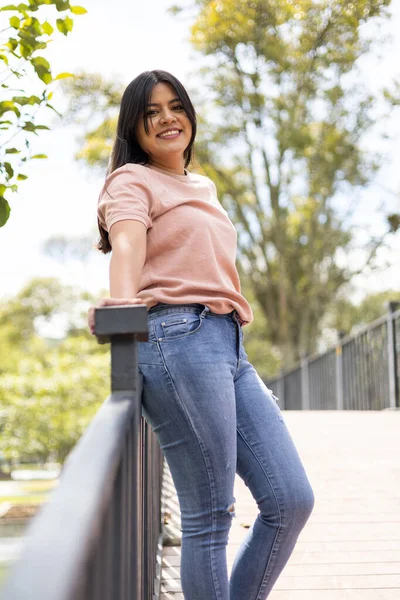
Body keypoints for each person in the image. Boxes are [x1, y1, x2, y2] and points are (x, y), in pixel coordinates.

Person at [88, 69, 314, 600]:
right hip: (177, 340)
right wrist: (123, 307)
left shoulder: (201, 185)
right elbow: (127, 247)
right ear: (135, 130)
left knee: (290, 499)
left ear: (189, 114)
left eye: (175, 107)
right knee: (210, 516)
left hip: (228, 341)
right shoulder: (130, 181)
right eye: (151, 114)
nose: (167, 119)